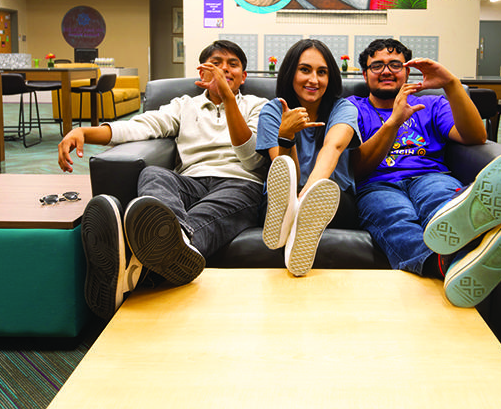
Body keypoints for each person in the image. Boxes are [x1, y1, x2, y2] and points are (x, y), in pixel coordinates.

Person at [58, 40, 267, 319]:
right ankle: (170, 241)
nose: (224, 69)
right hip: (191, 181)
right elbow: (140, 126)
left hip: (238, 183)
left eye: (233, 65)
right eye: (216, 63)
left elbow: (252, 159)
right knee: (154, 174)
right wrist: (84, 132)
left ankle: (136, 258)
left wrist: (229, 99)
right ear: (202, 74)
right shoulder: (184, 105)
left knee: (217, 206)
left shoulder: (258, 105)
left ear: (243, 76)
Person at [349, 38, 501, 307]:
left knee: (443, 205)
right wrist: (394, 121)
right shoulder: (353, 107)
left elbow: (475, 136)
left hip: (430, 176)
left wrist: (451, 84)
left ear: (407, 72)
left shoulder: (433, 104)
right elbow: (358, 167)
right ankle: (462, 259)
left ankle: (471, 241)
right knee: (396, 219)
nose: (386, 71)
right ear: (365, 74)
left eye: (395, 65)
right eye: (377, 65)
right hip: (378, 184)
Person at [256, 39, 361, 276]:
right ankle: (295, 227)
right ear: (290, 73)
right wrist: (286, 135)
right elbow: (285, 173)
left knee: (321, 197)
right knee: (283, 191)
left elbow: (332, 148)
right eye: (305, 70)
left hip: (332, 198)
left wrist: (304, 198)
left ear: (330, 77)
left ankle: (292, 222)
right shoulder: (273, 110)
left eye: (322, 72)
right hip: (285, 196)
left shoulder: (343, 108)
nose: (314, 80)